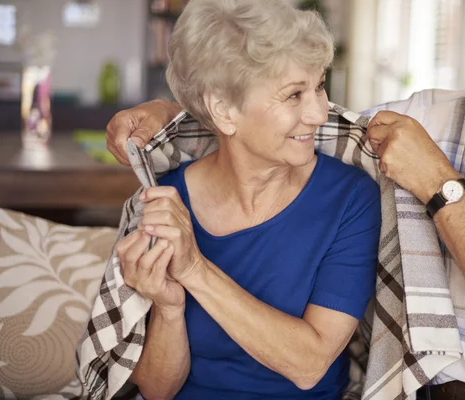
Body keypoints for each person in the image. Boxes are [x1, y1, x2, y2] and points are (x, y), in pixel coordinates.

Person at [107, 0, 465, 398]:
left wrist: (440, 183)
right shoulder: (431, 118)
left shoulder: (362, 186)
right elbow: (290, 119)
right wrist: (168, 112)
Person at [112, 0, 381, 399]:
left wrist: (194, 271)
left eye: (320, 85)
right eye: (294, 95)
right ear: (224, 110)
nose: (320, 113)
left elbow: (309, 364)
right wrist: (168, 308)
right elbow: (155, 391)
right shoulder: (168, 200)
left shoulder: (349, 198)